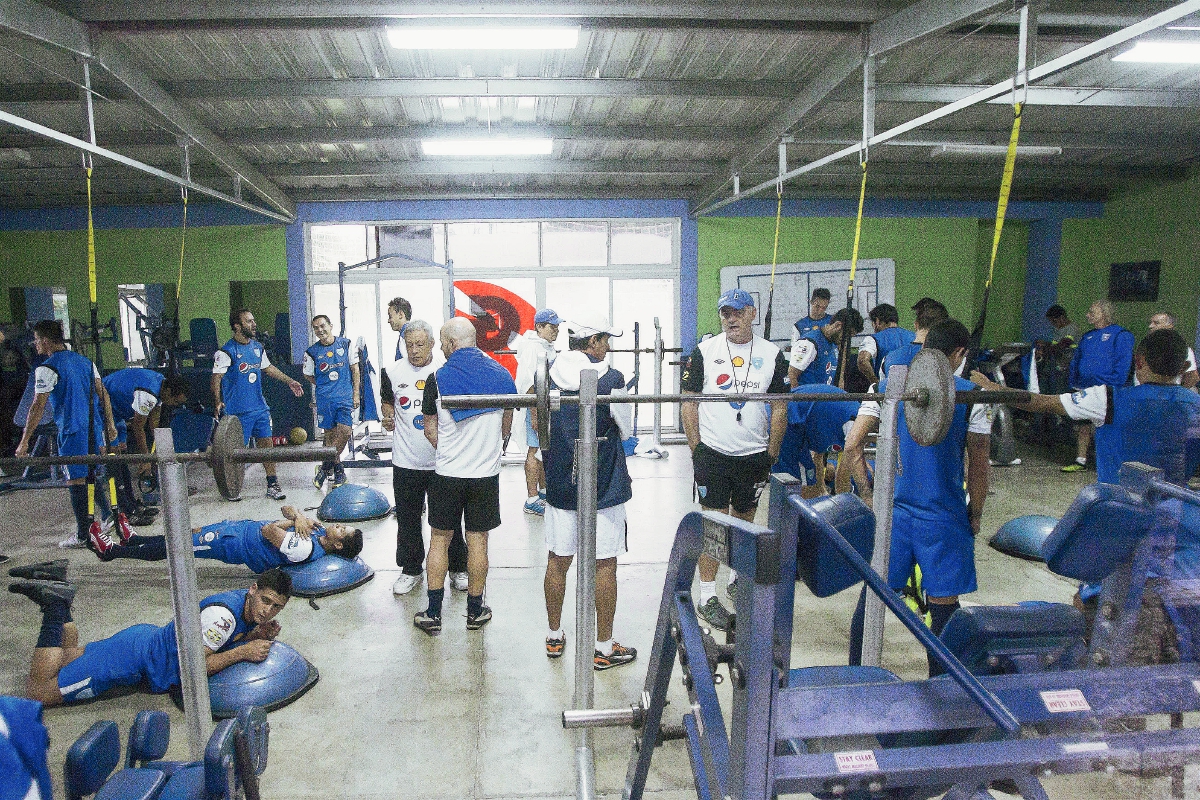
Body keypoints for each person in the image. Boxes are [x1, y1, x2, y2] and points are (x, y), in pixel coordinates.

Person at [848, 319, 991, 675]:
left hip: (892, 514)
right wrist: (976, 513)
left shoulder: (884, 387)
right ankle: (944, 694)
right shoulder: (972, 396)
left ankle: (853, 683)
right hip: (944, 515)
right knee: (943, 606)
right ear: (959, 353)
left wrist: (869, 500)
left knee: (875, 597)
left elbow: (852, 447)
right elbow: (979, 467)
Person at [8, 565, 291, 707]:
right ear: (253, 588)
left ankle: (56, 582)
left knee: (63, 661)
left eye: (277, 607)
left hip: (144, 640)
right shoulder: (223, 617)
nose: (268, 611)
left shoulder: (240, 606)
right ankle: (55, 605)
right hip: (134, 659)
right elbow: (194, 666)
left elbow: (215, 640)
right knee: (39, 693)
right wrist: (243, 651)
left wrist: (252, 633)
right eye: (265, 600)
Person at [681, 289, 789, 630]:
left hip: (754, 454)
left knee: (745, 521)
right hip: (713, 452)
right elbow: (689, 402)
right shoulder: (704, 351)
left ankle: (736, 580)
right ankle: (707, 596)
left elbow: (779, 406)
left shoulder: (772, 354)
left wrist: (772, 451)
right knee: (714, 525)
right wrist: (696, 448)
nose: (731, 318)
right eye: (725, 312)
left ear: (752, 313)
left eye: (738, 312)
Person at [973, 328, 1200, 489]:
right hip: (1174, 517)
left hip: (1118, 512)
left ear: (1138, 362)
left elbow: (1041, 402)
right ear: (1185, 366)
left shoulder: (1107, 398)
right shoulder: (1196, 406)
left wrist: (992, 387)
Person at [542, 313, 637, 669]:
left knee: (558, 559)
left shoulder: (547, 374)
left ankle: (554, 636)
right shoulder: (612, 378)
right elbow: (625, 428)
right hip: (604, 480)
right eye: (605, 340)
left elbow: (540, 423)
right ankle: (604, 647)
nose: (608, 347)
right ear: (593, 342)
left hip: (562, 482)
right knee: (605, 564)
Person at [414, 318, 516, 635]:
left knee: (439, 541)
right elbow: (506, 427)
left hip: (447, 474)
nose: (442, 350)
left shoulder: (437, 379)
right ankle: (474, 612)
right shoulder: (502, 374)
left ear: (452, 344)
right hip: (485, 476)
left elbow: (430, 430)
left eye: (443, 343)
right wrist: (486, 450)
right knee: (478, 544)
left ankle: (433, 614)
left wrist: (450, 451)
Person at [380, 319, 469, 596]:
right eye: (409, 345)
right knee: (407, 519)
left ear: (433, 344)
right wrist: (387, 416)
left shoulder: (444, 372)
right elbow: (387, 400)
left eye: (420, 344)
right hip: (406, 462)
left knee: (449, 519)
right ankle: (410, 570)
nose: (415, 350)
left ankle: (457, 568)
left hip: (442, 462)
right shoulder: (392, 371)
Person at [15, 320, 119, 550]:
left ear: (44, 340)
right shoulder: (85, 362)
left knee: (76, 479)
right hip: (94, 429)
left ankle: (83, 535)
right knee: (92, 473)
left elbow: (37, 407)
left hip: (72, 430)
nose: (34, 344)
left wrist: (24, 442)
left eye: (36, 339)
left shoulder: (47, 368)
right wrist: (110, 426)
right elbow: (105, 396)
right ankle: (106, 518)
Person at [842, 300, 949, 501]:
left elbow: (862, 360)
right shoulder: (945, 360)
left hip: (896, 442)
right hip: (935, 449)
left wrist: (874, 385)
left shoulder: (885, 353)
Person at [211, 309, 305, 500]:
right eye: (248, 321)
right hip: (237, 411)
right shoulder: (226, 352)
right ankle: (232, 487)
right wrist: (217, 401)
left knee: (266, 446)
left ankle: (272, 484)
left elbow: (268, 368)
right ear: (237, 326)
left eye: (253, 321)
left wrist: (290, 381)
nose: (254, 324)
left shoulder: (257, 348)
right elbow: (216, 378)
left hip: (260, 408)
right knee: (236, 453)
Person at [85, 504, 363, 567]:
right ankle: (134, 541)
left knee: (178, 548)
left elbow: (268, 531)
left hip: (233, 545)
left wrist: (295, 519)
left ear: (337, 544)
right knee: (187, 534)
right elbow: (286, 509)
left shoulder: (306, 549)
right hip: (236, 529)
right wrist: (298, 517)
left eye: (342, 529)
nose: (337, 524)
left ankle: (112, 552)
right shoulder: (313, 530)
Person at [102, 367, 189, 525]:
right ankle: (124, 512)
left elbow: (153, 424)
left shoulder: (161, 386)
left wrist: (156, 453)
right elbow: (137, 427)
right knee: (114, 458)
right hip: (104, 410)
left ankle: (132, 505)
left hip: (118, 413)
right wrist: (146, 460)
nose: (175, 405)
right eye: (176, 401)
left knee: (122, 455)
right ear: (168, 391)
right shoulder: (149, 394)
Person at [1064, 300, 1135, 473]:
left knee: (1105, 427)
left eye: (1092, 311)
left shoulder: (1121, 335)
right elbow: (1077, 360)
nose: (1088, 315)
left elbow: (1123, 364)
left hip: (1108, 390)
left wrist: (1113, 382)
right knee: (1083, 426)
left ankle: (1107, 462)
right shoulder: (1087, 336)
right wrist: (1074, 381)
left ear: (1104, 313)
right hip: (1084, 388)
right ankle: (1080, 460)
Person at [304, 314, 361, 489]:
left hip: (344, 397)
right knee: (329, 436)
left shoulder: (346, 344)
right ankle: (338, 469)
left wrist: (356, 394)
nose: (320, 330)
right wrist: (323, 385)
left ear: (331, 325)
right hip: (325, 399)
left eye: (322, 326)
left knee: (345, 430)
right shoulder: (311, 352)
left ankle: (325, 467)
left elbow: (355, 370)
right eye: (316, 328)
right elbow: (307, 375)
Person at [772, 384, 860, 497]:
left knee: (811, 489)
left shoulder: (845, 417)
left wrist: (821, 489)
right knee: (797, 490)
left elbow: (818, 455)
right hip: (789, 419)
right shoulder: (854, 424)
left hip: (799, 421)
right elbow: (842, 481)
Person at [514, 308, 561, 516]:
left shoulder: (545, 346)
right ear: (539, 327)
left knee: (543, 450)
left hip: (545, 407)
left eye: (557, 327)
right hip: (536, 407)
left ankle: (543, 492)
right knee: (534, 451)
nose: (556, 331)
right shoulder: (533, 348)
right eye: (552, 327)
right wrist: (534, 413)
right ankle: (531, 498)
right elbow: (528, 382)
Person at [788, 307, 864, 389]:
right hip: (809, 398)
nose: (847, 340)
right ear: (838, 325)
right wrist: (798, 400)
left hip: (825, 396)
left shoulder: (835, 342)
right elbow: (792, 374)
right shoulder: (809, 343)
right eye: (848, 335)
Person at [856, 303, 915, 386]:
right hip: (913, 390)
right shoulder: (914, 336)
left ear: (877, 321)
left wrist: (876, 384)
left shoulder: (873, 339)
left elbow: (862, 361)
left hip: (887, 391)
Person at [1146, 311, 1198, 389]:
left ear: (1169, 326)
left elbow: (1193, 377)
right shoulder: (1146, 348)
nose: (1150, 326)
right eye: (1150, 322)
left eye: (1156, 323)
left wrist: (1176, 393)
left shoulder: (1180, 349)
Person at [387, 297, 412, 361]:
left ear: (401, 314)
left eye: (390, 316)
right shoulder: (410, 332)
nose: (388, 321)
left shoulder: (406, 335)